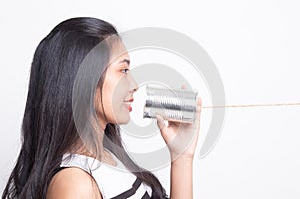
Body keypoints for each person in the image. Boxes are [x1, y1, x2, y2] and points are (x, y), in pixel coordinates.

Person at [2, 17, 202, 199]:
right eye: (123, 70)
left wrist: (182, 156)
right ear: (84, 81)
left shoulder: (108, 159)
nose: (133, 84)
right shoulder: (75, 184)